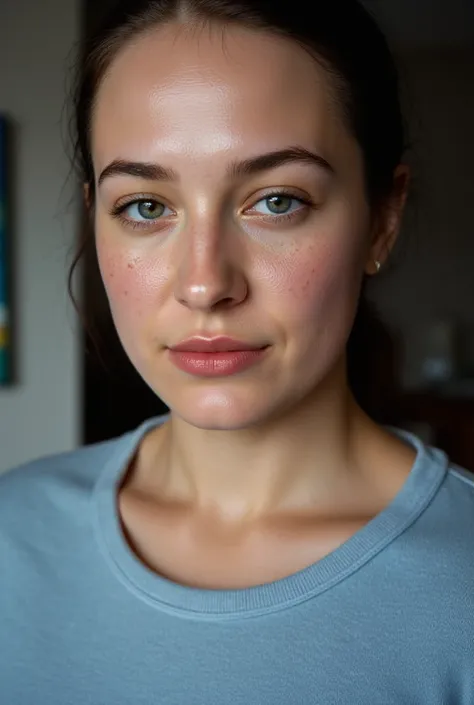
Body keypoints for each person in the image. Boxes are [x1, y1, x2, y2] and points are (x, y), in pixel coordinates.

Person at [1, 0, 473, 702]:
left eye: (277, 200)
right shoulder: (12, 536)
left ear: (382, 219)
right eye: (145, 207)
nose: (204, 283)